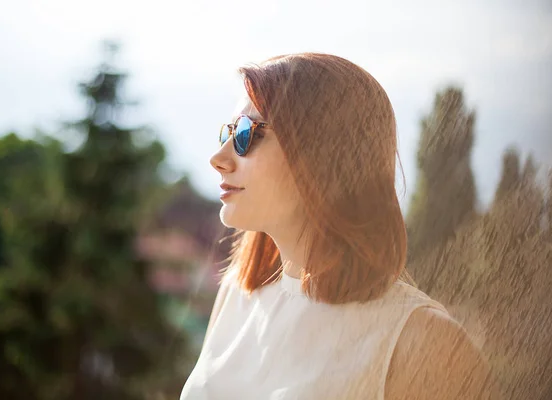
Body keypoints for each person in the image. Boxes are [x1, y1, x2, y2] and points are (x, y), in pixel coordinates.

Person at [180, 53, 499, 399]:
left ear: (324, 152)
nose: (218, 159)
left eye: (245, 134)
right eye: (227, 133)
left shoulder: (420, 339)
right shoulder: (235, 295)